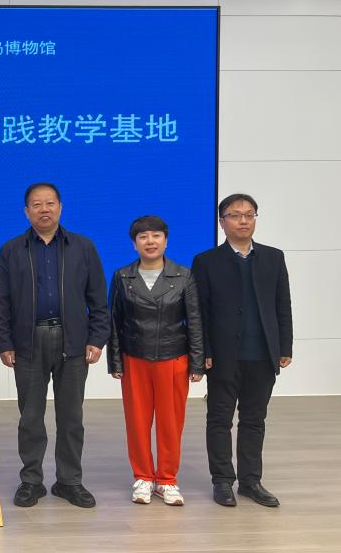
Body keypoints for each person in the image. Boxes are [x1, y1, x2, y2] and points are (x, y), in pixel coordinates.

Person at [0, 182, 109, 509]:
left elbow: (98, 298)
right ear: (26, 211)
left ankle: (69, 481)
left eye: (50, 203)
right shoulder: (11, 249)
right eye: (36, 204)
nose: (44, 209)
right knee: (30, 417)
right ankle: (31, 481)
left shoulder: (82, 247)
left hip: (72, 341)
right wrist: (5, 342)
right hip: (28, 342)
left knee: (71, 416)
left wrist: (97, 338)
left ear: (60, 207)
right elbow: (2, 301)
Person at [192, 193, 293, 508]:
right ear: (222, 222)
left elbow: (282, 305)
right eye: (235, 215)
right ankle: (222, 480)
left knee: (254, 420)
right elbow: (200, 312)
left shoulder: (273, 257)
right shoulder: (206, 261)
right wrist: (204, 351)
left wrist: (284, 346)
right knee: (219, 419)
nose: (243, 221)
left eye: (249, 214)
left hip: (263, 354)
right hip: (223, 355)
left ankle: (251, 482)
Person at [107, 215, 205, 506]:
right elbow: (114, 321)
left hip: (173, 358)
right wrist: (115, 362)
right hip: (134, 358)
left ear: (166, 240)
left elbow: (195, 321)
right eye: (143, 237)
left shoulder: (184, 276)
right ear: (134, 244)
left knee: (170, 422)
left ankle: (167, 479)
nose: (150, 241)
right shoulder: (122, 276)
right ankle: (142, 477)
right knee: (137, 421)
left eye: (156, 235)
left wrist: (197, 362)